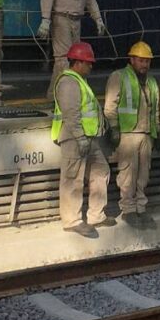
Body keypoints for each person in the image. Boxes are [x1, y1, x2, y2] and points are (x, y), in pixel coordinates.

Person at [51, 41, 113, 238]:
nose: (91, 66)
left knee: (101, 171)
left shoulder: (78, 81)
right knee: (73, 179)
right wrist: (80, 138)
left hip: (89, 137)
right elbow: (71, 115)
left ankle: (96, 214)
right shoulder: (69, 82)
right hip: (75, 139)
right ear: (77, 63)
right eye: (88, 63)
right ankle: (72, 220)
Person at [37, 0, 107, 98]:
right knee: (63, 60)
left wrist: (98, 19)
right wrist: (46, 19)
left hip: (77, 20)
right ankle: (59, 95)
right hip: (61, 19)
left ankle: (62, 94)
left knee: (76, 59)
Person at [104, 41, 160, 230]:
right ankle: (128, 209)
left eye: (147, 61)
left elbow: (155, 109)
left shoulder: (151, 81)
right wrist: (114, 128)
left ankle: (140, 207)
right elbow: (110, 106)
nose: (145, 64)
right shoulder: (119, 76)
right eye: (141, 60)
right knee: (128, 173)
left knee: (143, 174)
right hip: (128, 134)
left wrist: (157, 131)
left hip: (146, 134)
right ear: (132, 59)